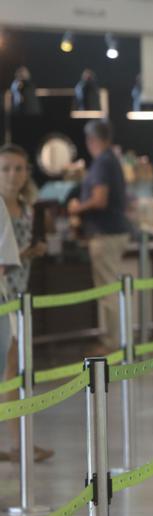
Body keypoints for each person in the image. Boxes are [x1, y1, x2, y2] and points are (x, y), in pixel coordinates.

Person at [67, 120, 130, 355]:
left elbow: (100, 199)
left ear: (92, 140)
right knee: (111, 289)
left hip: (105, 235)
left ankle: (112, 343)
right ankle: (115, 340)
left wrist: (76, 208)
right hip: (113, 232)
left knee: (107, 292)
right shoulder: (110, 160)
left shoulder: (103, 162)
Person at [0, 145, 45, 462]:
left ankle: (18, 441)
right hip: (5, 296)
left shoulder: (28, 206)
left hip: (19, 295)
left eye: (18, 168)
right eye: (5, 169)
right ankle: (17, 443)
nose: (13, 175)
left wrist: (33, 251)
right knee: (10, 370)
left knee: (14, 370)